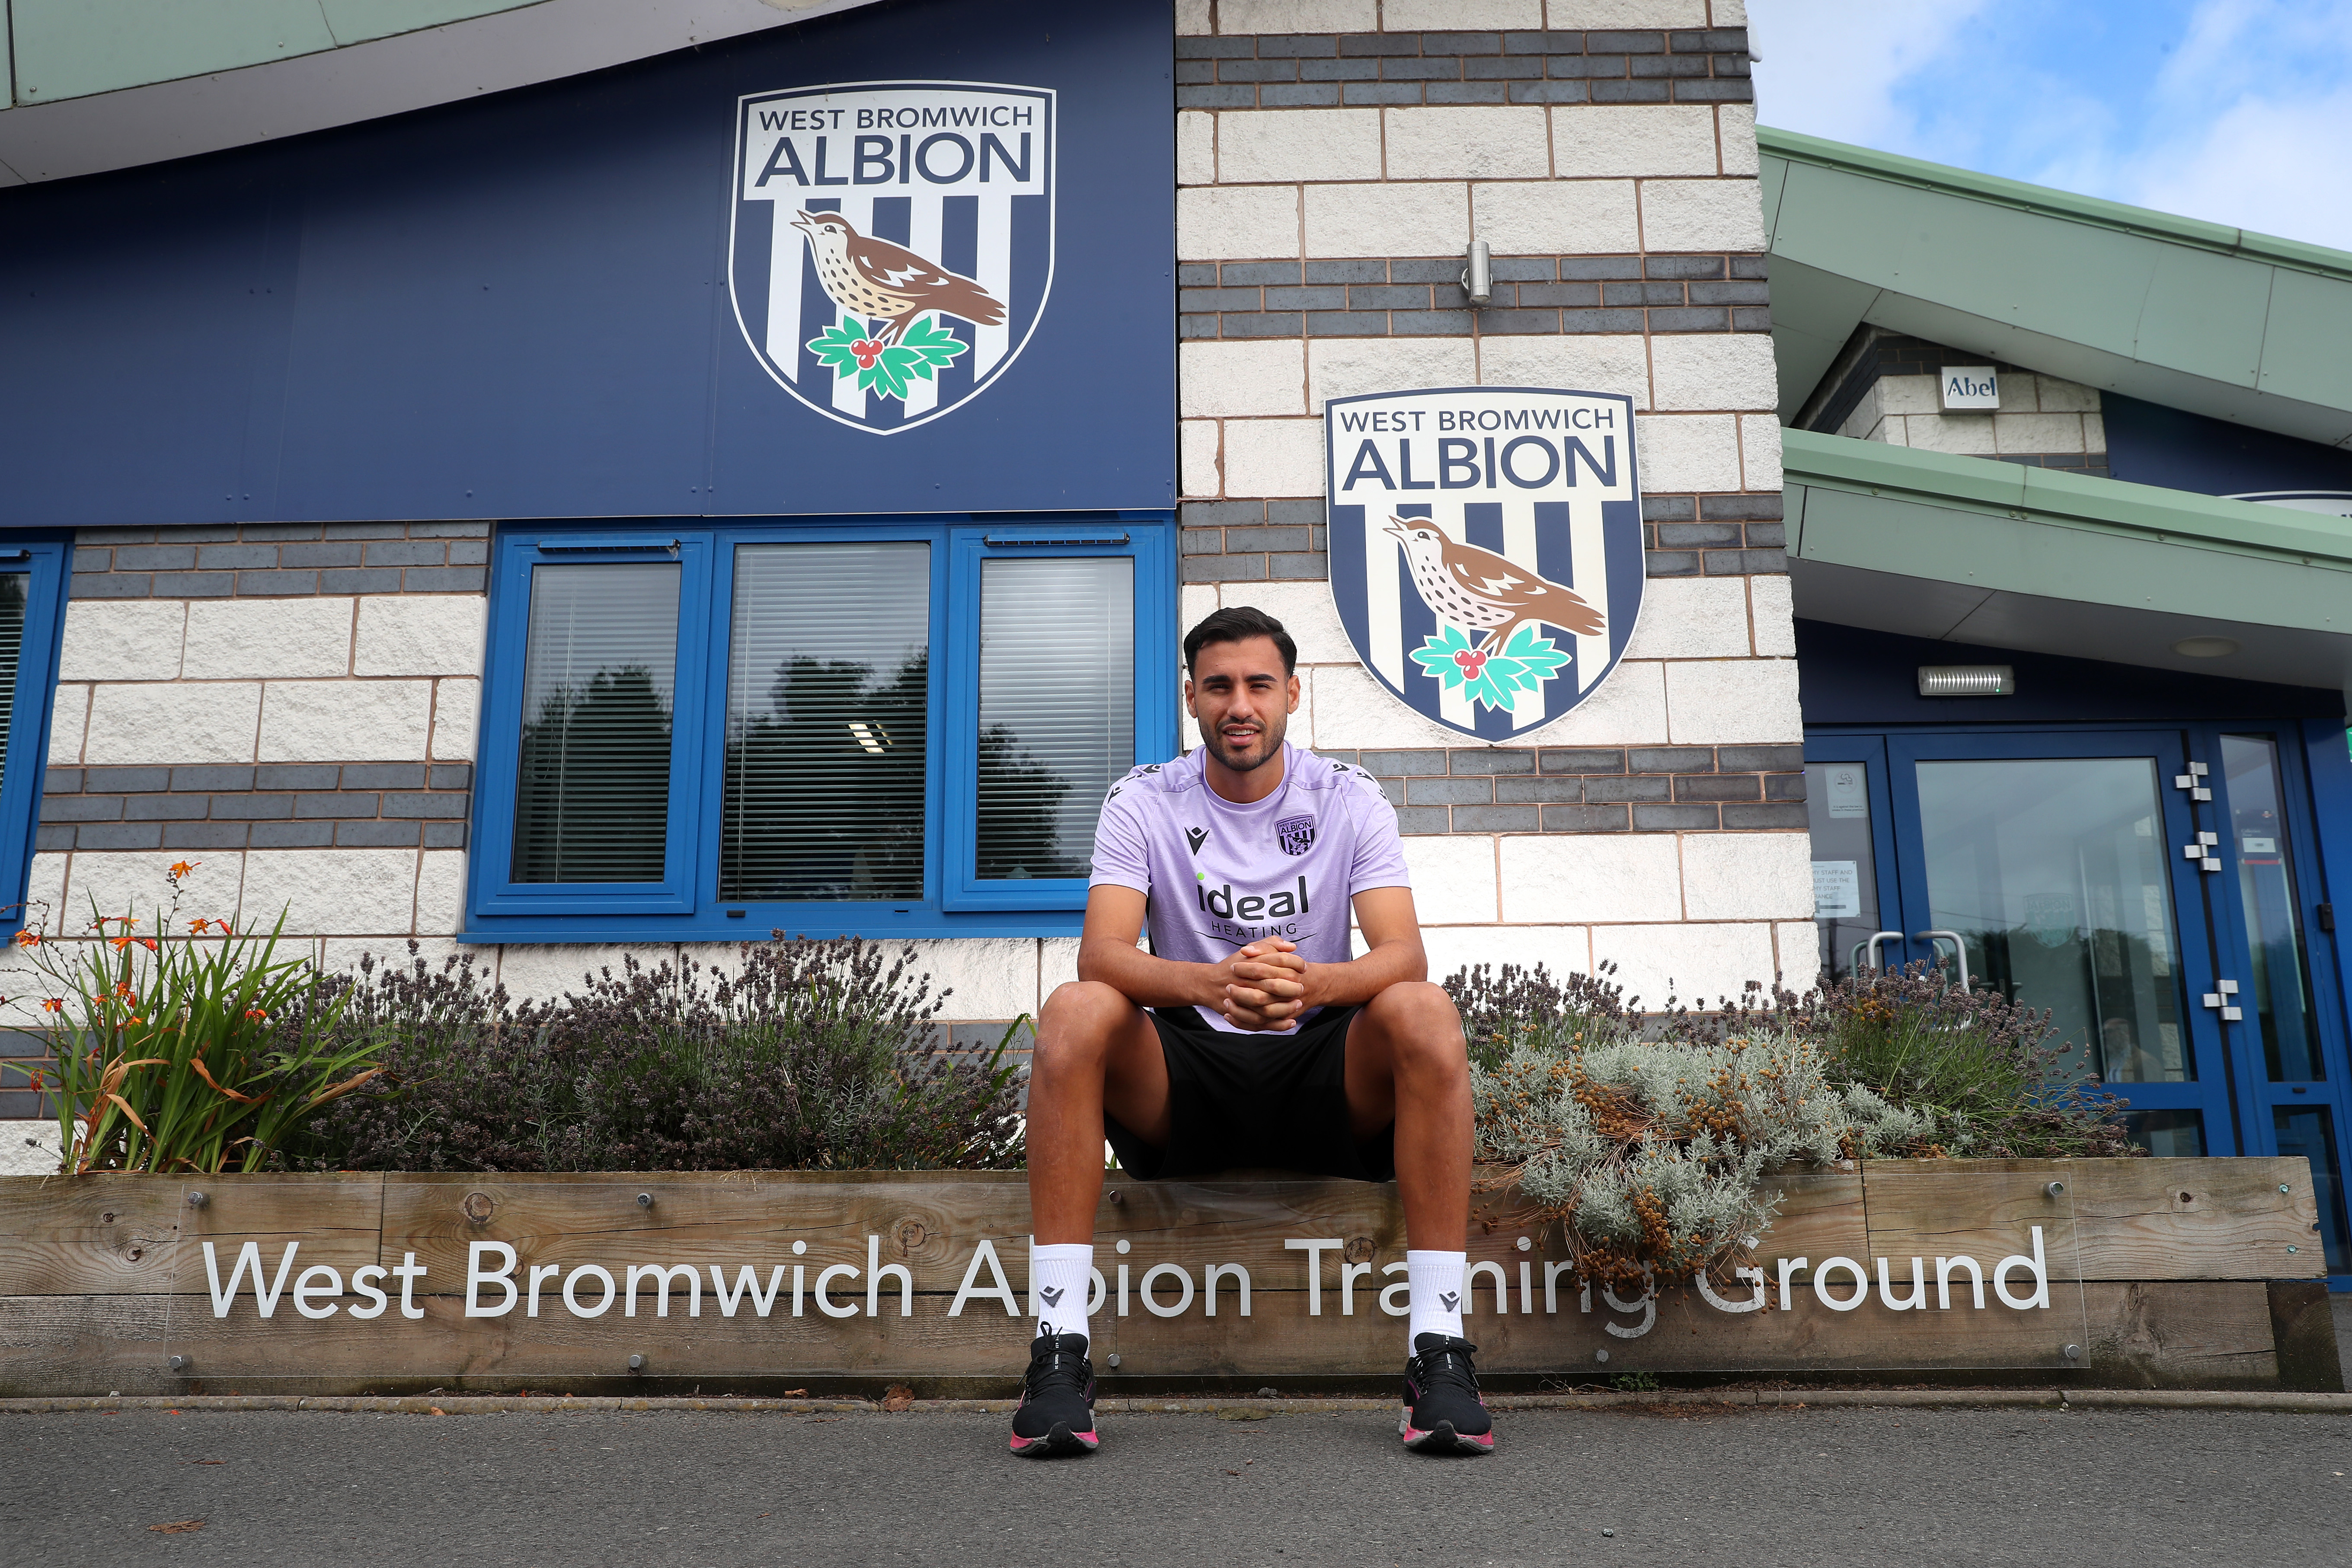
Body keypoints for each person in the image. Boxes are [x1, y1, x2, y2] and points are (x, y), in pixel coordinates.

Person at [1008, 606, 1489, 1458]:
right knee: (1073, 1010)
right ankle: (1056, 1353)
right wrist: (1212, 983)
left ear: (1291, 694)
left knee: (1424, 1010)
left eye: (1258, 684)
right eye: (1219, 685)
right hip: (1186, 1071)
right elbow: (1101, 953)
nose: (1240, 703)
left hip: (1322, 1071)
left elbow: (1403, 952)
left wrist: (1312, 983)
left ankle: (1438, 1352)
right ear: (1190, 696)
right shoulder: (1141, 799)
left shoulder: (1348, 795)